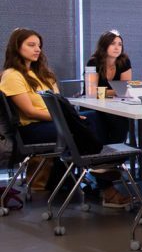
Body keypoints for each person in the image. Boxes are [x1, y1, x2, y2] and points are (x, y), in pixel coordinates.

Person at [1, 28, 131, 207]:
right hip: (32, 129)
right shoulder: (12, 75)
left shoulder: (43, 74)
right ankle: (103, 179)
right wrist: (67, 118)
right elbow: (30, 112)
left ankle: (101, 169)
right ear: (17, 47)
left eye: (39, 45)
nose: (37, 49)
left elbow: (58, 103)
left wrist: (69, 117)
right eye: (31, 45)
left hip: (53, 122)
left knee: (97, 117)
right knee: (87, 124)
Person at [86, 29, 133, 143]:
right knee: (107, 119)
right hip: (94, 106)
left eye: (120, 44)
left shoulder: (124, 61)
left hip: (116, 106)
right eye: (113, 44)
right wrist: (115, 91)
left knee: (121, 119)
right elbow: (91, 93)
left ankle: (118, 150)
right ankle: (106, 150)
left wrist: (103, 92)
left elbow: (124, 90)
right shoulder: (93, 62)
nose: (117, 47)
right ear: (104, 45)